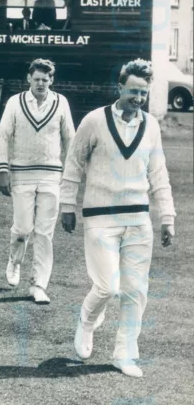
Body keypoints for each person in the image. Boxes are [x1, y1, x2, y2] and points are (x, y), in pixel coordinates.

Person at [61, 59, 176, 378]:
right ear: (119, 87)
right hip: (100, 217)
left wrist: (167, 216)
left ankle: (124, 354)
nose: (137, 98)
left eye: (143, 93)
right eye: (133, 91)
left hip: (138, 219)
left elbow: (158, 173)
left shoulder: (151, 125)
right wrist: (67, 205)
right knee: (108, 286)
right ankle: (86, 320)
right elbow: (73, 163)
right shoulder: (94, 121)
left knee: (135, 290)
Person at [0, 59, 75, 304]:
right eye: (37, 78)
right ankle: (15, 261)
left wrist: (71, 176)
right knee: (22, 228)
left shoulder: (61, 102)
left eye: (45, 79)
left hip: (51, 175)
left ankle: (39, 284)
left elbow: (70, 139)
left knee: (44, 233)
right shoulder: (15, 102)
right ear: (29, 78)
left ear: (52, 80)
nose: (41, 83)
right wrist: (2, 169)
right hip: (21, 174)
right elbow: (3, 135)